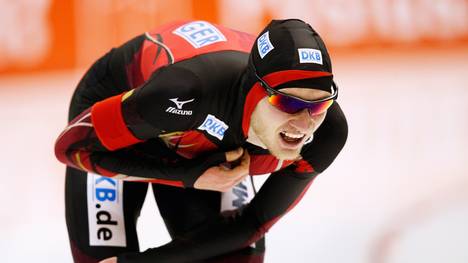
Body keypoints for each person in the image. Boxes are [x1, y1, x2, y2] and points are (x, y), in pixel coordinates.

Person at [54, 19, 348, 263]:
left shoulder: (328, 131)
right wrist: (187, 177)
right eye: (289, 103)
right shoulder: (184, 92)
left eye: (319, 105)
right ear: (255, 91)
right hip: (130, 117)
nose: (305, 124)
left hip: (205, 144)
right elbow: (70, 148)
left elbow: (252, 223)